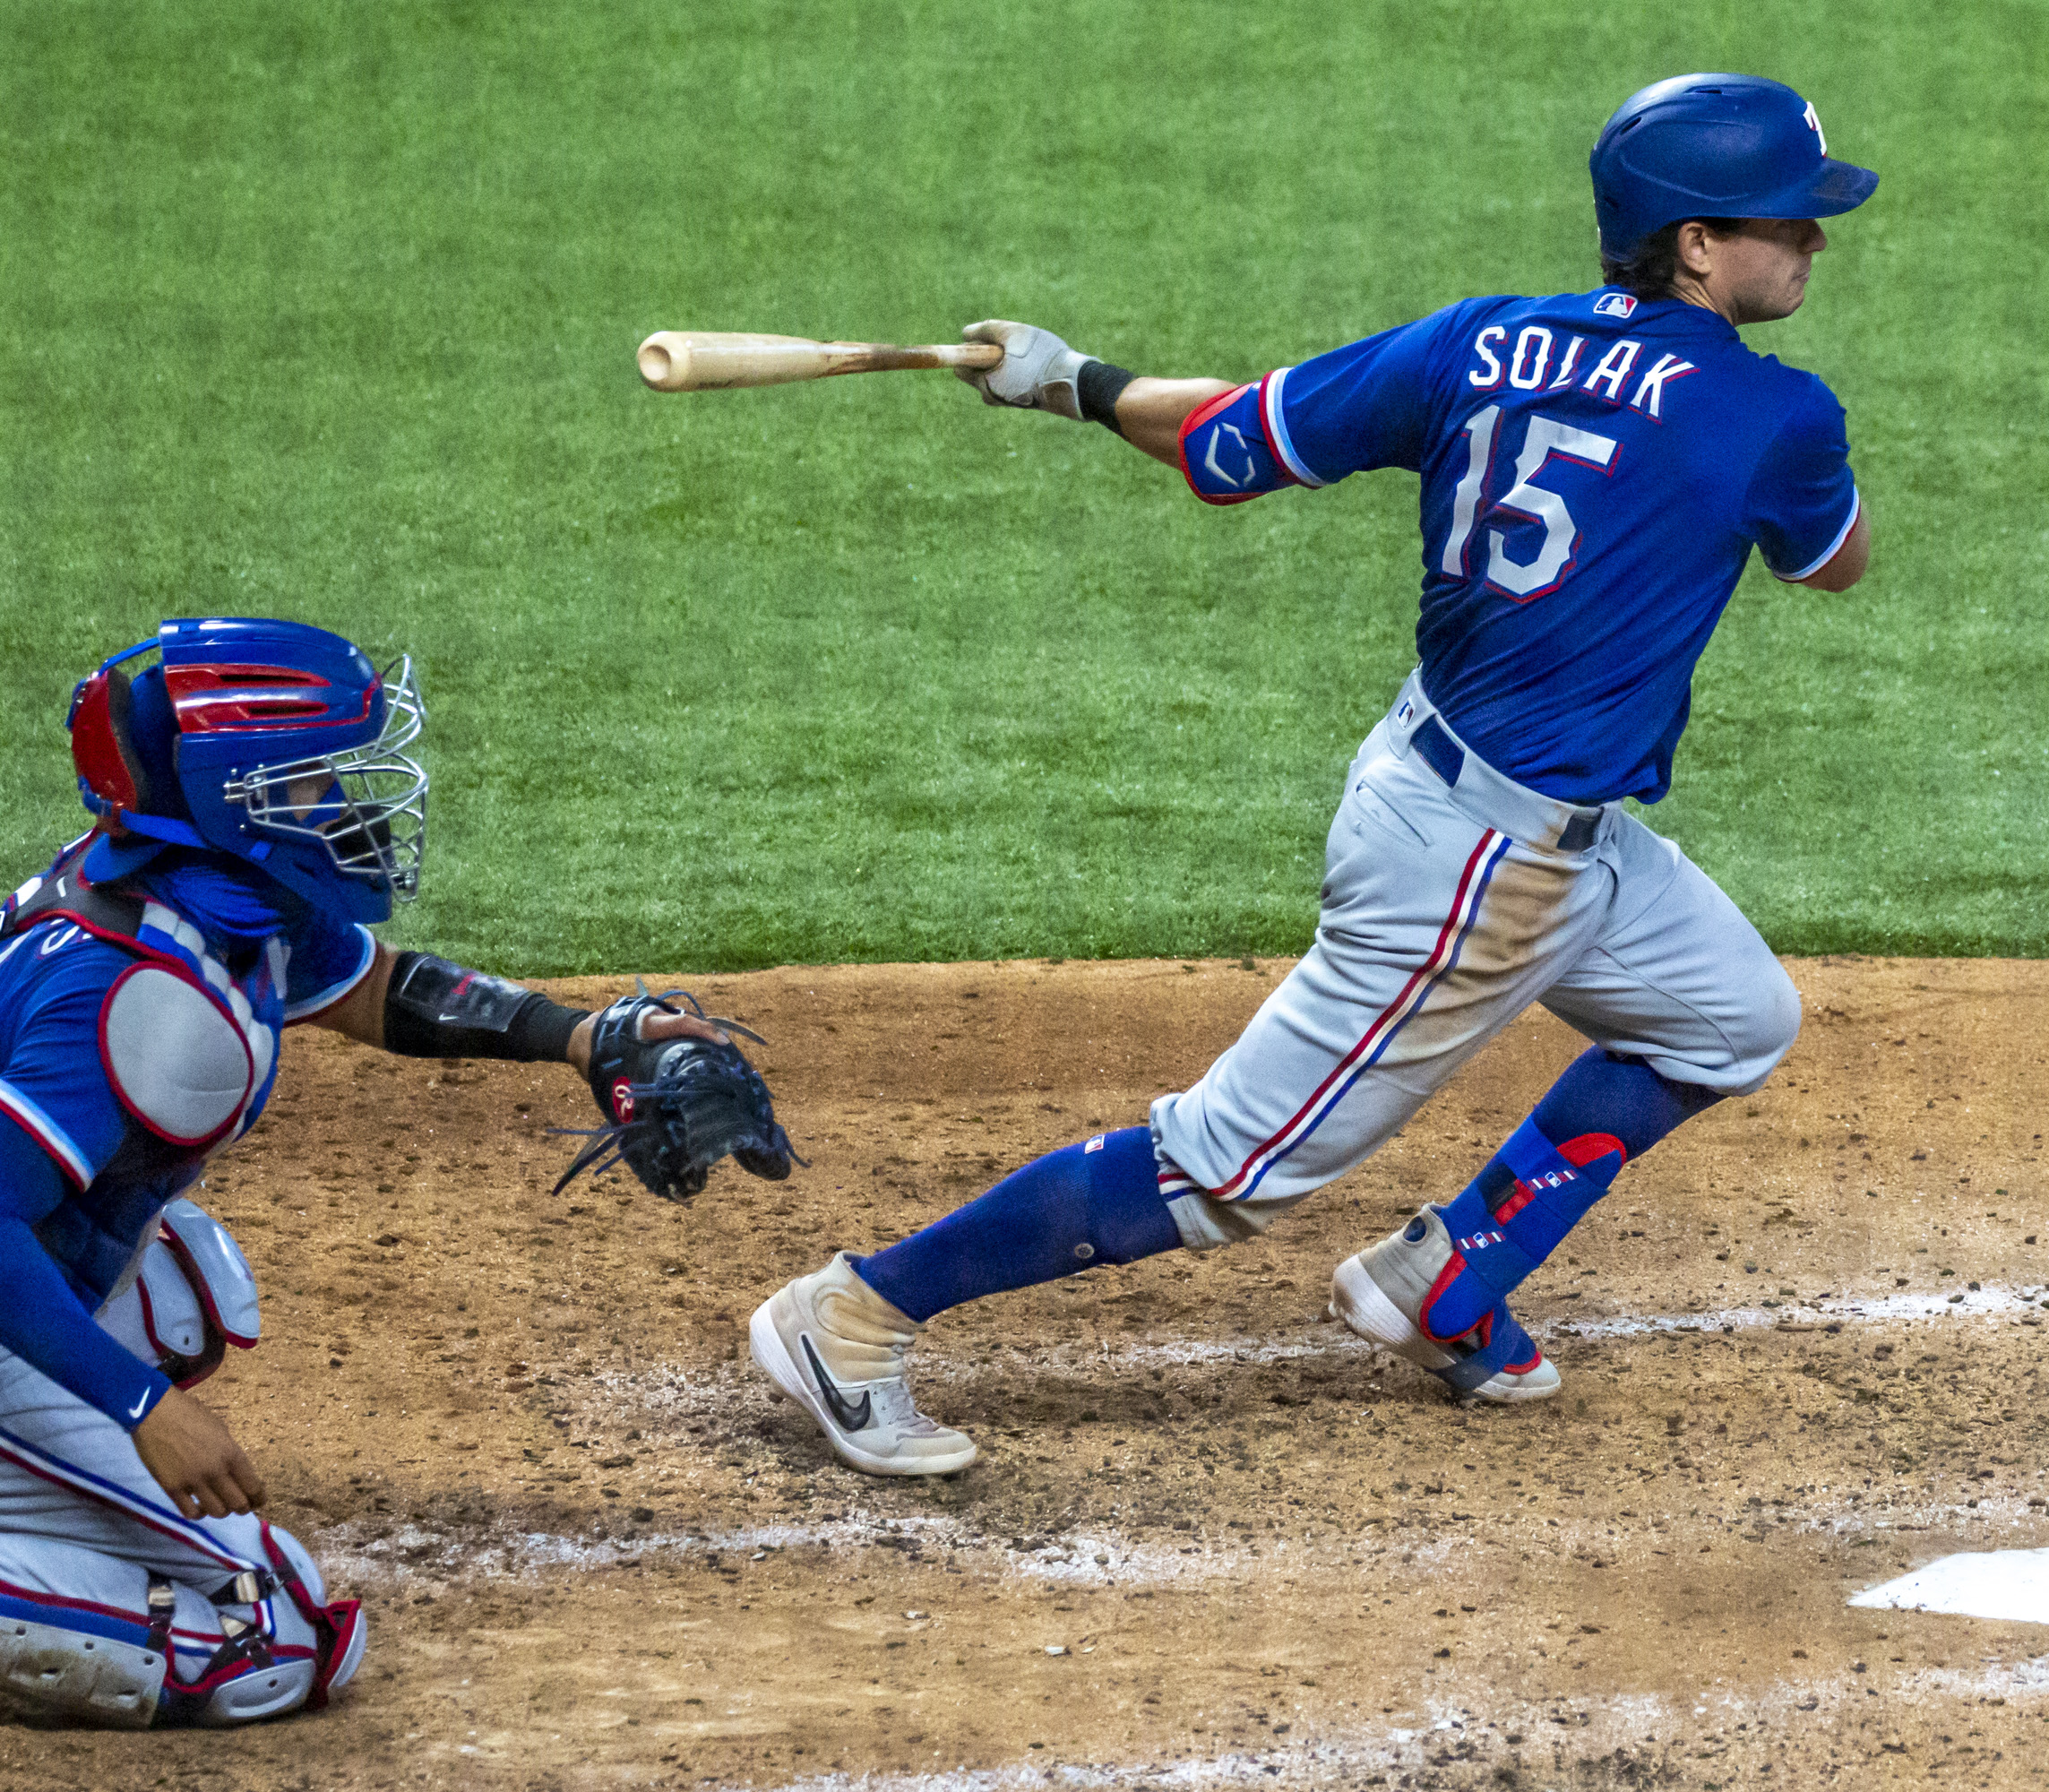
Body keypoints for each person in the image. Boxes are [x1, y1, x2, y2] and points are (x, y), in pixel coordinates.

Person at [751, 73, 1876, 1477]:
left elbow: (1230, 443)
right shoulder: (1777, 414)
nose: (1816, 244)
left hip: (1456, 791)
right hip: (1482, 876)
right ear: (1697, 243)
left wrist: (1071, 384)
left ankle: (1441, 1277)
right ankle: (854, 1315)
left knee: (1732, 1018)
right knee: (1222, 1170)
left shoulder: (1481, 340)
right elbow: (1833, 562)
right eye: (1792, 221)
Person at [0, 616, 720, 1726]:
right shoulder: (138, 1002)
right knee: (270, 1636)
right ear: (235, 798)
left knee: (193, 1289)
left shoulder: (194, 889)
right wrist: (141, 1408)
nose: (344, 800)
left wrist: (579, 1035)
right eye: (311, 780)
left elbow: (377, 986)